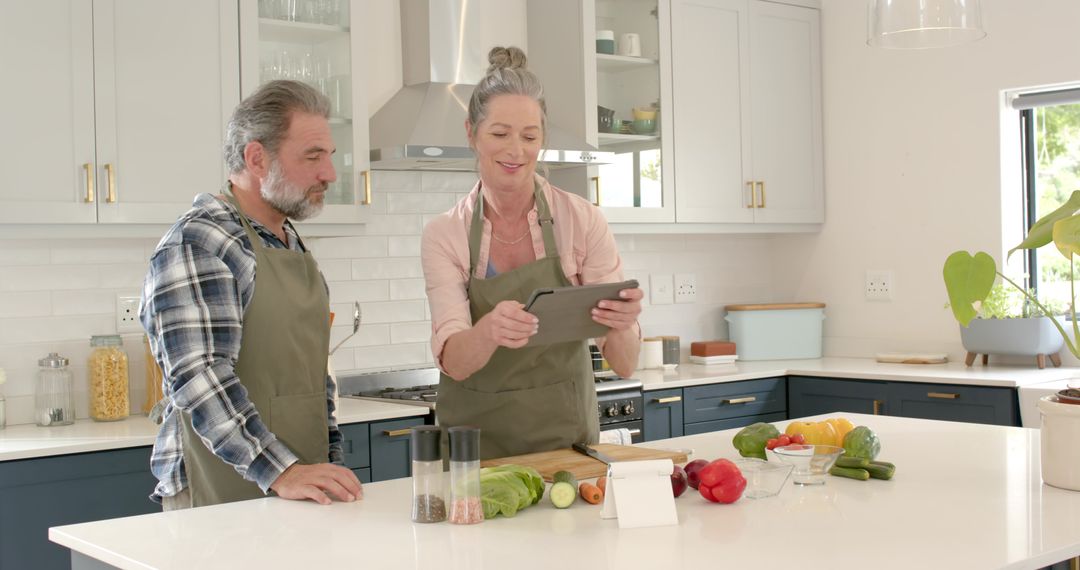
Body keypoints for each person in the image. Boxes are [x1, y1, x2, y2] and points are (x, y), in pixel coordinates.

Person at [140, 80, 363, 509]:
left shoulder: (287, 240)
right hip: (221, 495)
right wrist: (280, 470)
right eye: (313, 156)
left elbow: (312, 377)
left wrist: (327, 457)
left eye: (329, 157)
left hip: (294, 485)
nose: (330, 174)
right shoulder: (201, 240)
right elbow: (199, 376)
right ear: (257, 158)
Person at [421, 47, 643, 460]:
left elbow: (625, 364)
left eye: (529, 136)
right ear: (471, 133)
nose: (516, 151)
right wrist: (488, 331)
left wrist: (621, 324)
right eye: (500, 134)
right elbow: (454, 359)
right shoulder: (444, 234)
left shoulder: (581, 220)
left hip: (568, 443)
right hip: (477, 447)